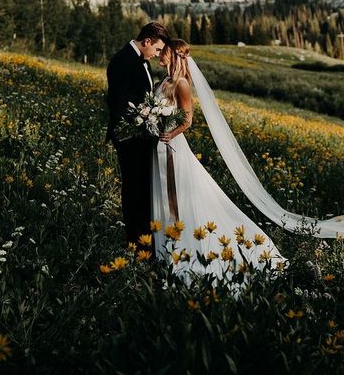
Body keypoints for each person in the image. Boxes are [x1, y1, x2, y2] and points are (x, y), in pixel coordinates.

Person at [151, 39, 286, 280]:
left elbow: (188, 120)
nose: (160, 55)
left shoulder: (181, 84)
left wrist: (168, 133)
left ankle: (182, 248)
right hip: (158, 147)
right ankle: (164, 250)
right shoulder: (165, 81)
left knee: (178, 197)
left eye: (165, 52)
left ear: (175, 56)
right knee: (163, 195)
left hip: (171, 147)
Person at [106, 21, 169, 245]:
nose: (158, 54)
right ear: (147, 41)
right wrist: (138, 123)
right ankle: (135, 240)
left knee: (143, 189)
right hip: (129, 137)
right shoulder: (122, 61)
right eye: (158, 49)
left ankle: (145, 238)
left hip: (143, 137)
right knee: (134, 190)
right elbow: (117, 103)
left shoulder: (143, 61)